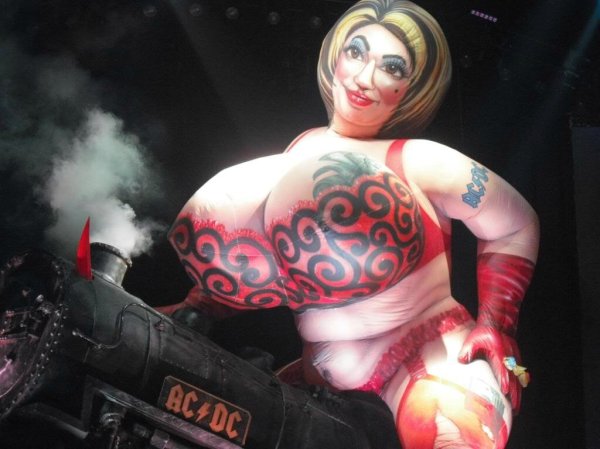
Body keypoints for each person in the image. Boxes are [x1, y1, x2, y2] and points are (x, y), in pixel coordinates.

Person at [159, 1, 540, 447]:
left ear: (414, 87)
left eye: (392, 68)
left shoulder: (422, 161)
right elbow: (263, 256)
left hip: (426, 359)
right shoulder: (300, 149)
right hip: (320, 379)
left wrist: (497, 324)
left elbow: (514, 223)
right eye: (356, 52)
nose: (364, 78)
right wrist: (200, 306)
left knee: (447, 433)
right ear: (334, 57)